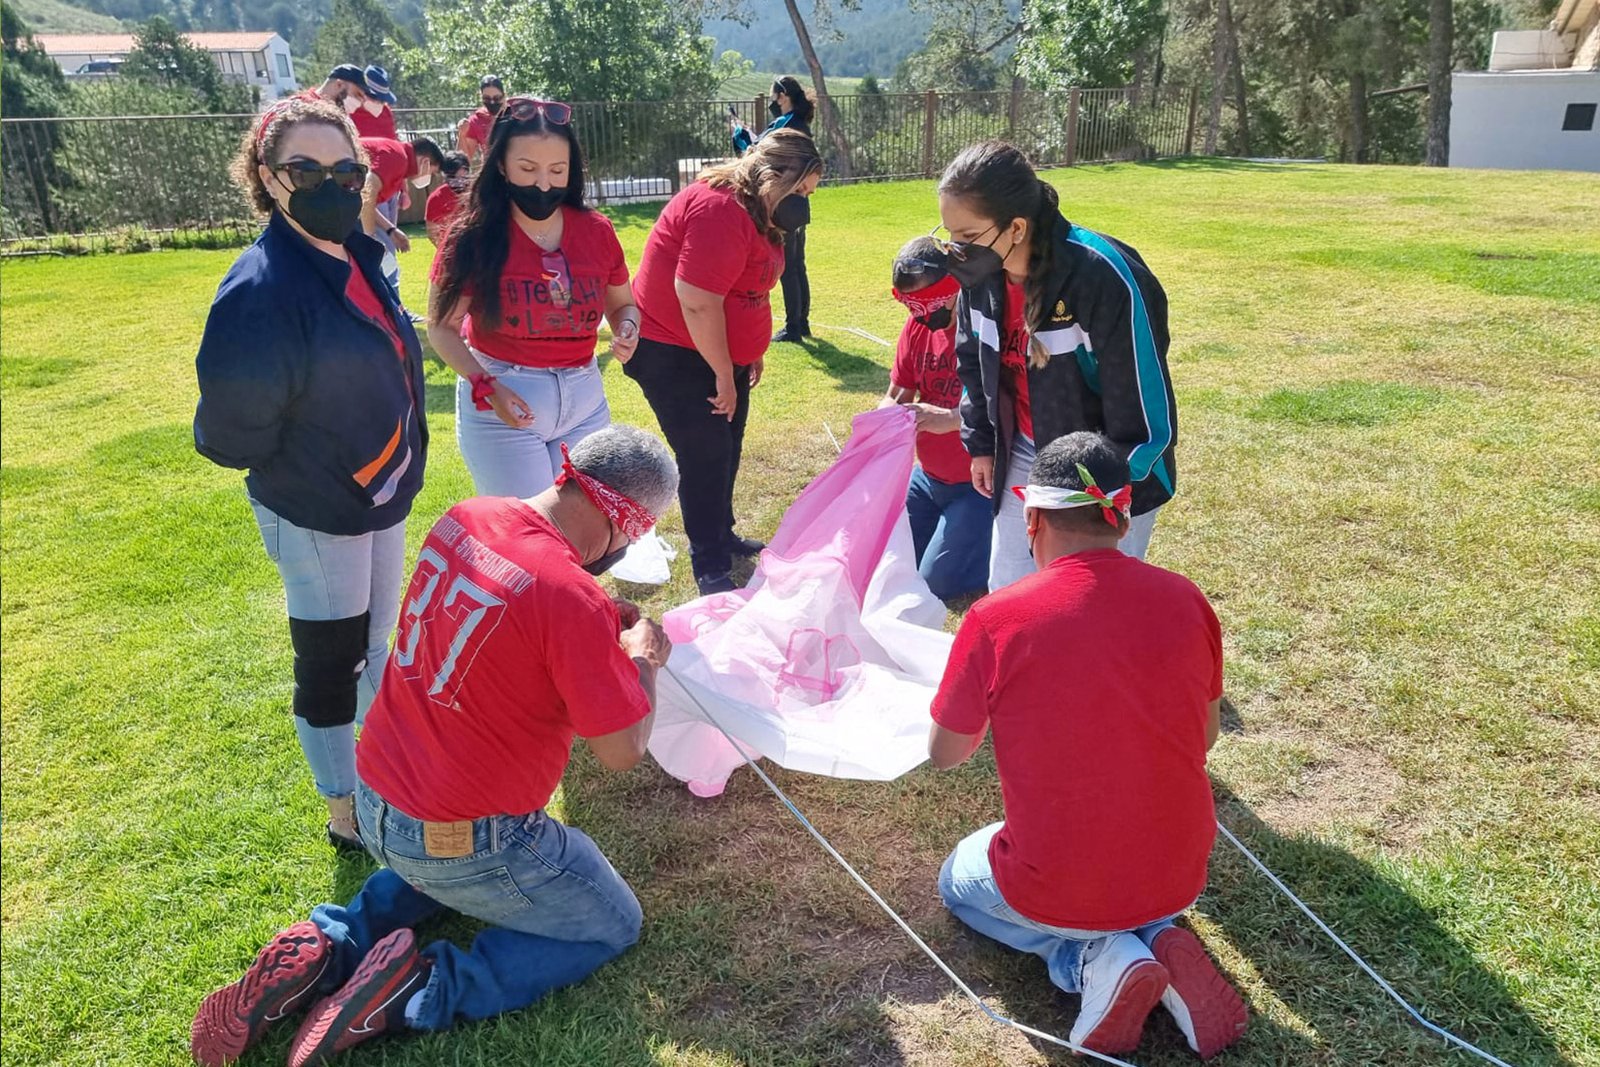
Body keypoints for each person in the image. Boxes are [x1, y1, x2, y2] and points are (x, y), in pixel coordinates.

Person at [189, 426, 679, 1067]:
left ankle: (334, 940)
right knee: (612, 921)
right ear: (624, 519)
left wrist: (593, 621)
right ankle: (420, 989)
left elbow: (509, 617)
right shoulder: (571, 597)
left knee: (435, 863)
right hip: (466, 837)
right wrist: (643, 662)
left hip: (375, 800)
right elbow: (621, 750)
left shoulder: (467, 518)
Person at [927, 432, 1247, 1060]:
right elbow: (1206, 735)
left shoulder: (996, 618)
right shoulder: (1187, 598)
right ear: (1122, 519)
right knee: (1120, 874)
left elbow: (946, 753)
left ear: (1032, 520)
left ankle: (1093, 959)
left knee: (957, 881)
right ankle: (1156, 938)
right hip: (1180, 873)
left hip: (1059, 883)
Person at [194, 98, 427, 852]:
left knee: (375, 643)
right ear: (267, 176)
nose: (331, 185)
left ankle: (390, 773)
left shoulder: (355, 251)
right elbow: (234, 431)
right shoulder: (260, 288)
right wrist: (321, 456)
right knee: (332, 663)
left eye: (345, 171)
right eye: (306, 169)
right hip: (320, 505)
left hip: (379, 493)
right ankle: (345, 811)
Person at [937, 140, 1176, 592]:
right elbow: (972, 365)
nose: (957, 251)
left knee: (1095, 604)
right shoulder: (980, 276)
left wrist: (1105, 493)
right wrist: (982, 444)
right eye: (950, 235)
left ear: (1016, 228)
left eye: (967, 237)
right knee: (1011, 591)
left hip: (1108, 474)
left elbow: (1145, 408)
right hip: (1024, 452)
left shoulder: (1102, 276)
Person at [626, 128, 822, 595]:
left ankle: (723, 534)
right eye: (801, 190)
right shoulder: (719, 209)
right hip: (672, 350)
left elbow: (749, 286)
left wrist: (749, 353)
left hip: (716, 352)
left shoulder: (761, 209)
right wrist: (722, 374)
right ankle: (709, 563)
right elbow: (696, 300)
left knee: (727, 445)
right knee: (705, 453)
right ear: (773, 177)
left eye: (810, 194)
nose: (804, 204)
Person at [428, 97, 641, 497]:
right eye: (528, 169)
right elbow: (442, 328)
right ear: (501, 165)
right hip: (503, 402)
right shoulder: (472, 237)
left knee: (585, 527)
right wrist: (487, 387)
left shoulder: (597, 231)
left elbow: (623, 305)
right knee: (527, 527)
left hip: (585, 401)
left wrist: (628, 327)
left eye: (557, 170)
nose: (544, 184)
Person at [879, 236, 990, 600]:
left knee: (934, 584)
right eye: (912, 307)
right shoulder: (917, 327)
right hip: (927, 478)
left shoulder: (986, 329)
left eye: (929, 304)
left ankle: (996, 535)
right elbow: (897, 394)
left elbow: (1010, 408)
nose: (923, 317)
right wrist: (879, 423)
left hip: (978, 485)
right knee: (885, 560)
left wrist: (952, 418)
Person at [731, 76, 816, 344]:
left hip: (784, 203)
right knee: (798, 265)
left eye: (773, 95)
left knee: (789, 267)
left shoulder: (785, 125)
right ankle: (802, 322)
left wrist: (741, 138)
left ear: (782, 96)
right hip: (799, 202)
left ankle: (793, 328)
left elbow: (760, 155)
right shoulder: (798, 123)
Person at [361, 133, 443, 296]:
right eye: (432, 173)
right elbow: (367, 191)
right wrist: (370, 240)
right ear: (425, 162)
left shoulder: (399, 161)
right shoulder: (399, 157)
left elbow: (365, 202)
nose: (429, 177)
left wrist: (390, 229)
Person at [457, 74, 506, 164]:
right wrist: (462, 134)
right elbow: (462, 160)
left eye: (497, 98)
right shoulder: (476, 120)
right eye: (487, 98)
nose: (492, 102)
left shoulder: (515, 115)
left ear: (504, 96)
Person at [425, 150, 470, 245]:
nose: (460, 181)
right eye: (455, 177)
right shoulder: (436, 198)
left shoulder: (475, 193)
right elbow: (432, 232)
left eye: (464, 176)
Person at [350, 65, 398, 140]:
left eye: (382, 101)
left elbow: (392, 140)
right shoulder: (347, 111)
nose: (379, 103)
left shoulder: (386, 112)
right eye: (375, 98)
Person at [294, 63, 368, 112]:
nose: (361, 101)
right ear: (339, 85)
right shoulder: (300, 107)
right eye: (358, 94)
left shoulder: (338, 113)